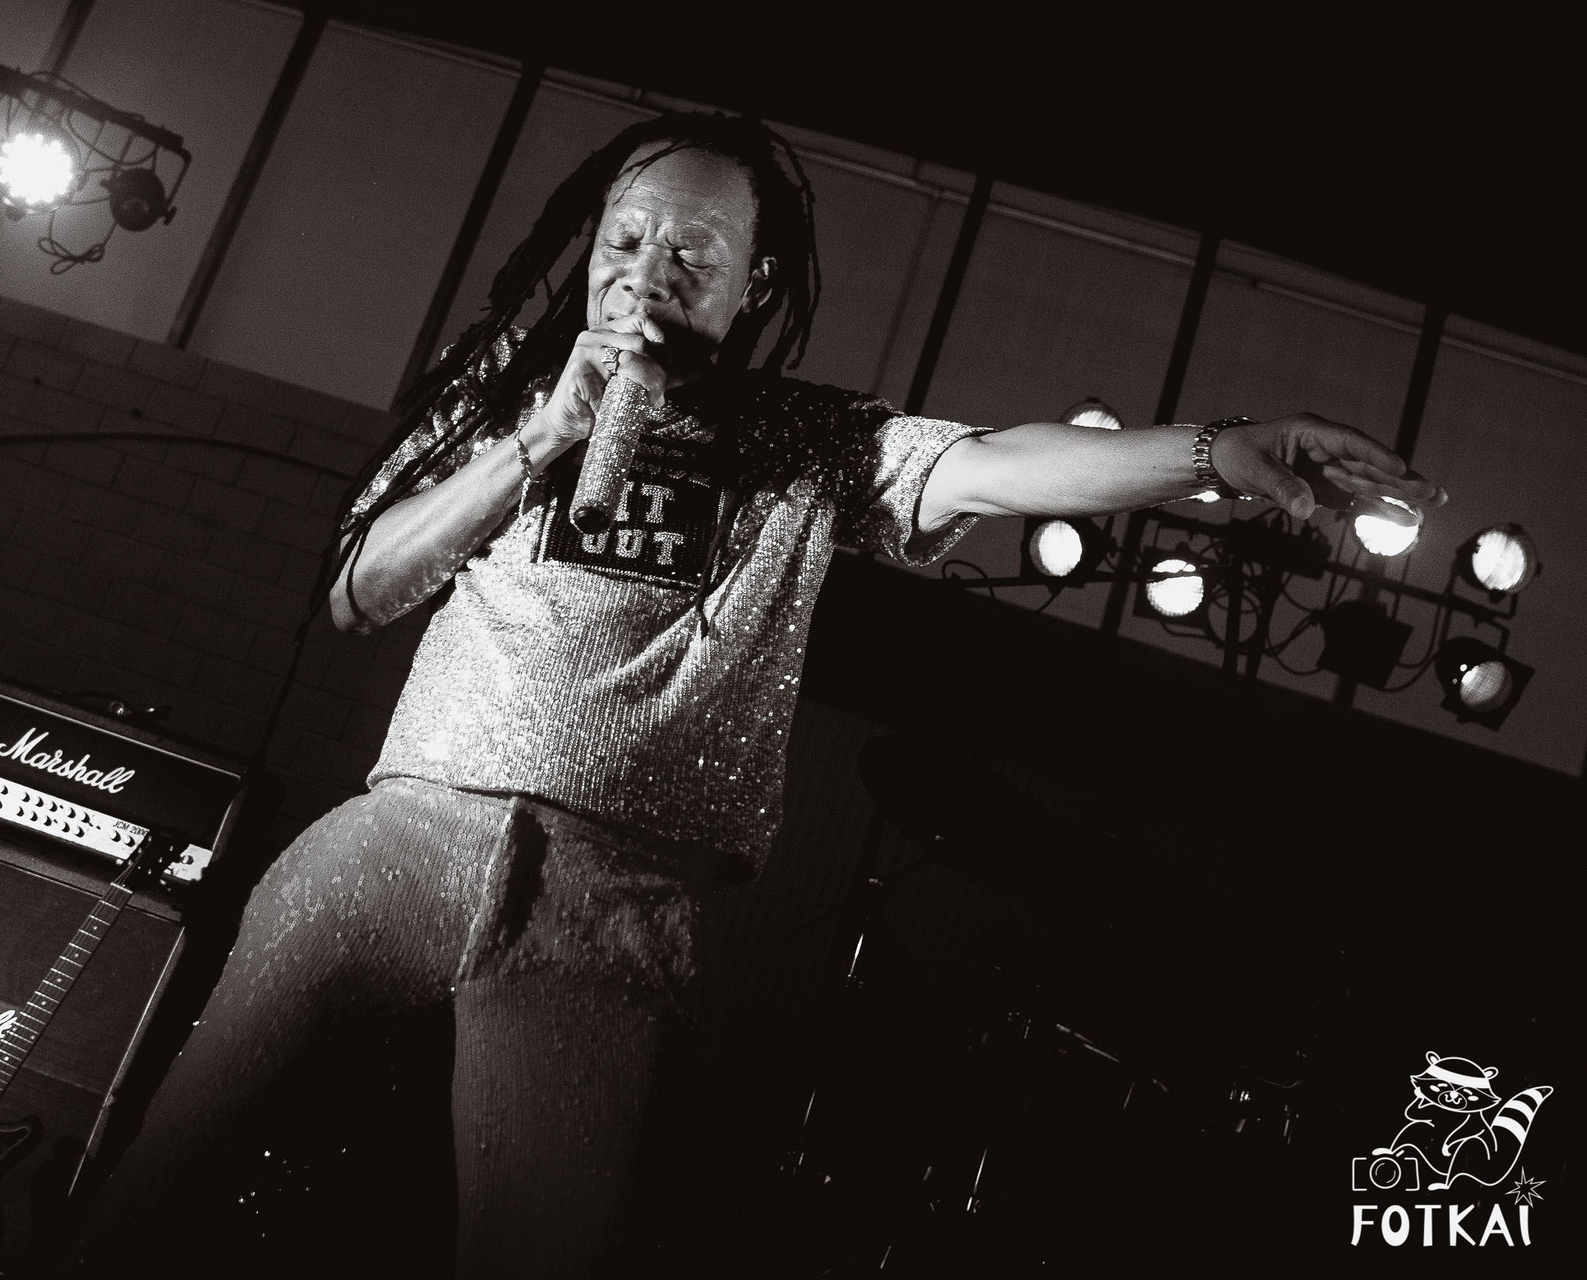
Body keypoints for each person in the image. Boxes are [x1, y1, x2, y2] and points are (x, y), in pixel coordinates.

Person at [73, 112, 1442, 1276]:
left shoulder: (805, 445)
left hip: (601, 913)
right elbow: (360, 591)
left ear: (751, 283)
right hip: (391, 850)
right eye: (624, 242)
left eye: (692, 254)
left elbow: (1001, 463)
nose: (645, 274)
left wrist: (1215, 451)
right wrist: (541, 438)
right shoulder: (504, 405)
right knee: (151, 1196)